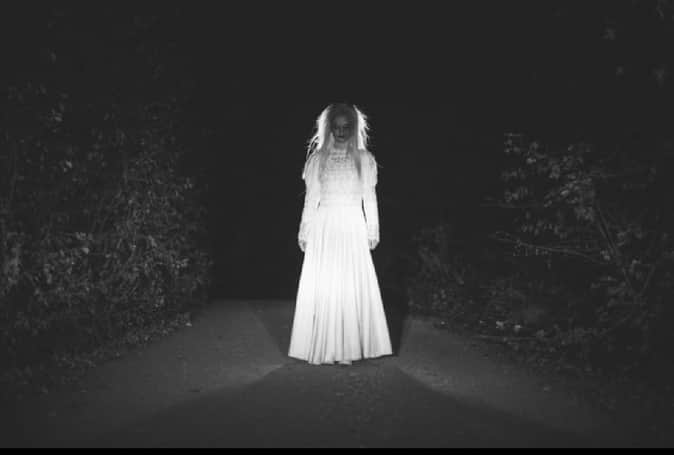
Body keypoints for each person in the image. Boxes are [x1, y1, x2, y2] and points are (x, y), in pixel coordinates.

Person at [288, 103, 393, 365]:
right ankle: (326, 346)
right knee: (327, 284)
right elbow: (311, 199)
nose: (341, 132)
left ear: (354, 128)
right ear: (329, 128)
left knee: (349, 284)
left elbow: (369, 197)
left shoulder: (364, 160)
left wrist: (373, 229)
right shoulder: (317, 160)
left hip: (352, 226)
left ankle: (348, 347)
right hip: (325, 227)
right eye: (337, 127)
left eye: (346, 127)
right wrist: (304, 230)